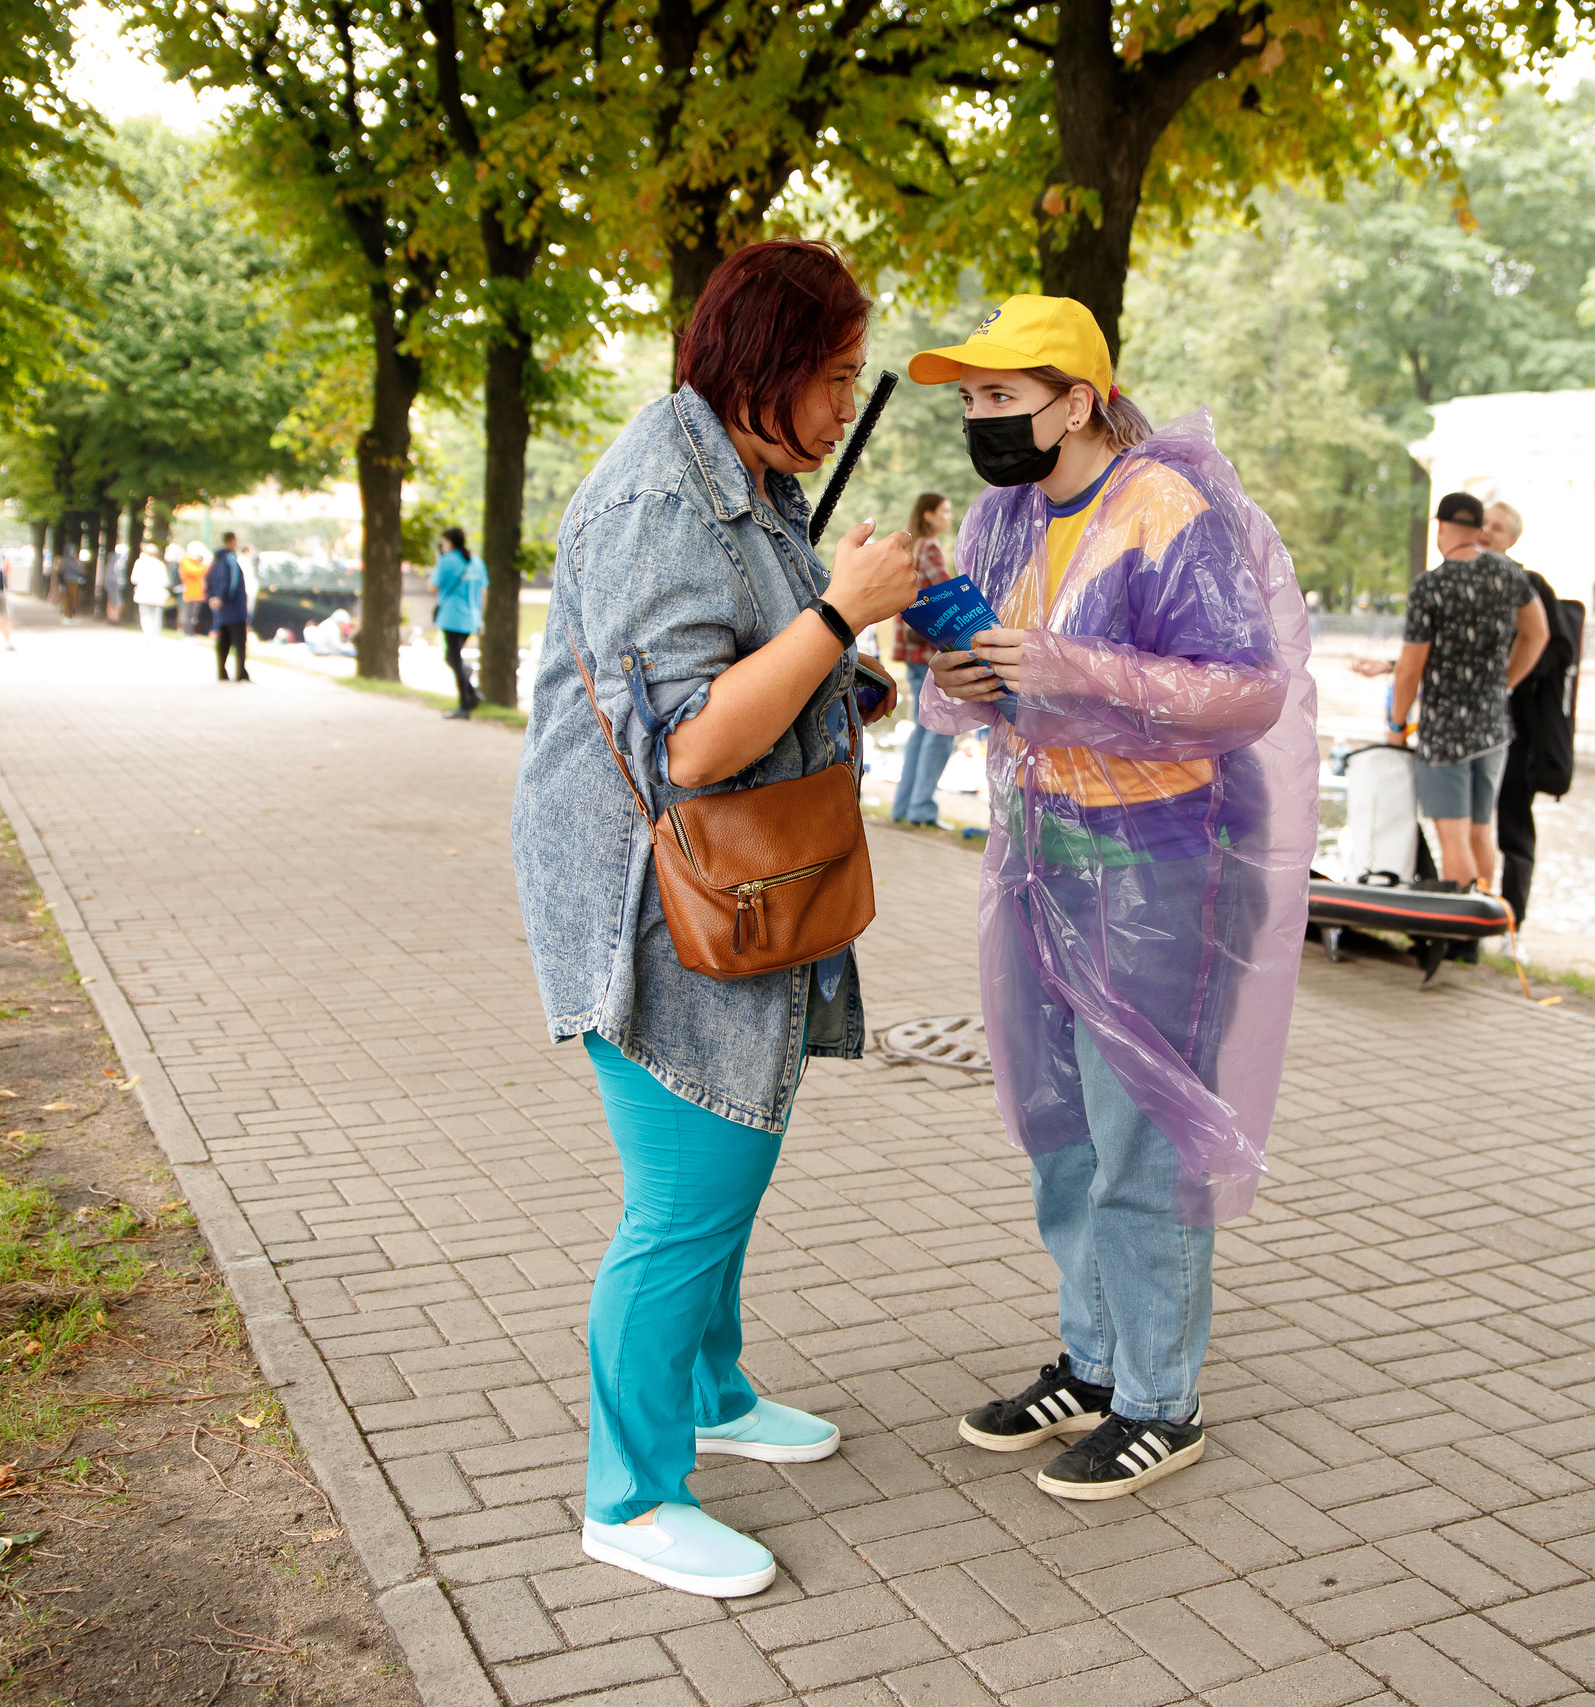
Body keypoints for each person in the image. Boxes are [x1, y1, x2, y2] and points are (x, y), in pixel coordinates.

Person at [511, 240, 919, 1599]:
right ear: (772, 367)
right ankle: (627, 1493)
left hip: (740, 877)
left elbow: (758, 669)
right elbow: (690, 742)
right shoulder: (653, 499)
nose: (851, 397)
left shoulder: (751, 479)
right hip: (653, 892)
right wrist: (835, 611)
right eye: (840, 373)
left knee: (738, 1132)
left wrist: (848, 667)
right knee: (691, 1190)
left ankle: (712, 1388)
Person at [909, 294, 1316, 1501]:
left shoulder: (1163, 509)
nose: (979, 419)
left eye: (1001, 397)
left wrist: (1066, 665)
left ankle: (1159, 1398)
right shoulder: (998, 519)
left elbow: (1246, 691)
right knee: (1059, 1126)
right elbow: (986, 702)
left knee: (1140, 1134)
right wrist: (958, 671)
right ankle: (1091, 1364)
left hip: (1159, 861)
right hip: (1035, 851)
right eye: (968, 399)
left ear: (1076, 400)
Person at [1382, 492, 1548, 891]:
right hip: (1493, 727)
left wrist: (1397, 722)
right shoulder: (1508, 575)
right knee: (1479, 831)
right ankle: (1479, 926)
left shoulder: (1431, 586)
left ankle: (1460, 932)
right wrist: (1505, 682)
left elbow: (1410, 669)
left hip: (1444, 733)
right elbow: (1537, 633)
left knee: (1453, 837)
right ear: (1477, 531)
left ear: (1441, 529)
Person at [1481, 500, 1569, 939]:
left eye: (1497, 528)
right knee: (1468, 822)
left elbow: (1556, 651)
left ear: (1512, 539)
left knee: (1513, 829)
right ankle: (1471, 913)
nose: (1486, 533)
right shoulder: (1467, 581)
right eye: (1482, 524)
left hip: (1517, 731)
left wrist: (1505, 681)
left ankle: (1512, 920)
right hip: (1472, 727)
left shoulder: (1530, 585)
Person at [889, 493, 958, 824]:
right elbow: (947, 594)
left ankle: (904, 807)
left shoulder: (911, 549)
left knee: (921, 727)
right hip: (928, 650)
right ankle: (920, 808)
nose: (951, 516)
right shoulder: (929, 547)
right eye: (945, 511)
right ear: (929, 516)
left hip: (912, 651)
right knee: (941, 729)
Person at [432, 526, 487, 719]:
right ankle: (471, 694)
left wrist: (438, 560)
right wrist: (480, 616)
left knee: (453, 658)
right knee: (453, 658)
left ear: (449, 542)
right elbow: (483, 591)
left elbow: (432, 586)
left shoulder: (447, 561)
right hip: (471, 617)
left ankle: (466, 703)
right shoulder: (477, 562)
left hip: (452, 617)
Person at [205, 532, 252, 681]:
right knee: (239, 641)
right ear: (232, 541)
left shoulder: (215, 560)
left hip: (221, 609)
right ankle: (240, 673)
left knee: (223, 641)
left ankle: (222, 672)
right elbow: (232, 581)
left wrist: (212, 597)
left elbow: (207, 579)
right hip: (234, 607)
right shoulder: (231, 558)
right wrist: (222, 597)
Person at [132, 542, 171, 638]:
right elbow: (165, 581)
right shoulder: (160, 564)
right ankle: (155, 634)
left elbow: (134, 578)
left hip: (144, 591)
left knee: (145, 614)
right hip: (157, 593)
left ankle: (147, 633)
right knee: (156, 615)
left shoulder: (140, 563)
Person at [179, 541, 210, 635]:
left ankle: (191, 633)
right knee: (189, 614)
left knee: (194, 615)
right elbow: (195, 572)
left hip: (198, 592)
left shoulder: (197, 563)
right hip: (190, 591)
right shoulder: (186, 561)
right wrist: (205, 564)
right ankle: (187, 633)